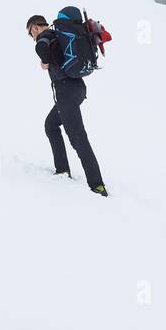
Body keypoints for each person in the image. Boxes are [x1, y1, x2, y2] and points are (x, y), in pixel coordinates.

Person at [27, 12, 107, 197]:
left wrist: (44, 61)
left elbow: (42, 49)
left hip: (66, 93)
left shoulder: (46, 36)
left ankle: (97, 186)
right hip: (77, 90)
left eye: (31, 33)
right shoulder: (57, 35)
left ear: (35, 27)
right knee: (51, 125)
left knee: (78, 138)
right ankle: (62, 169)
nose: (33, 37)